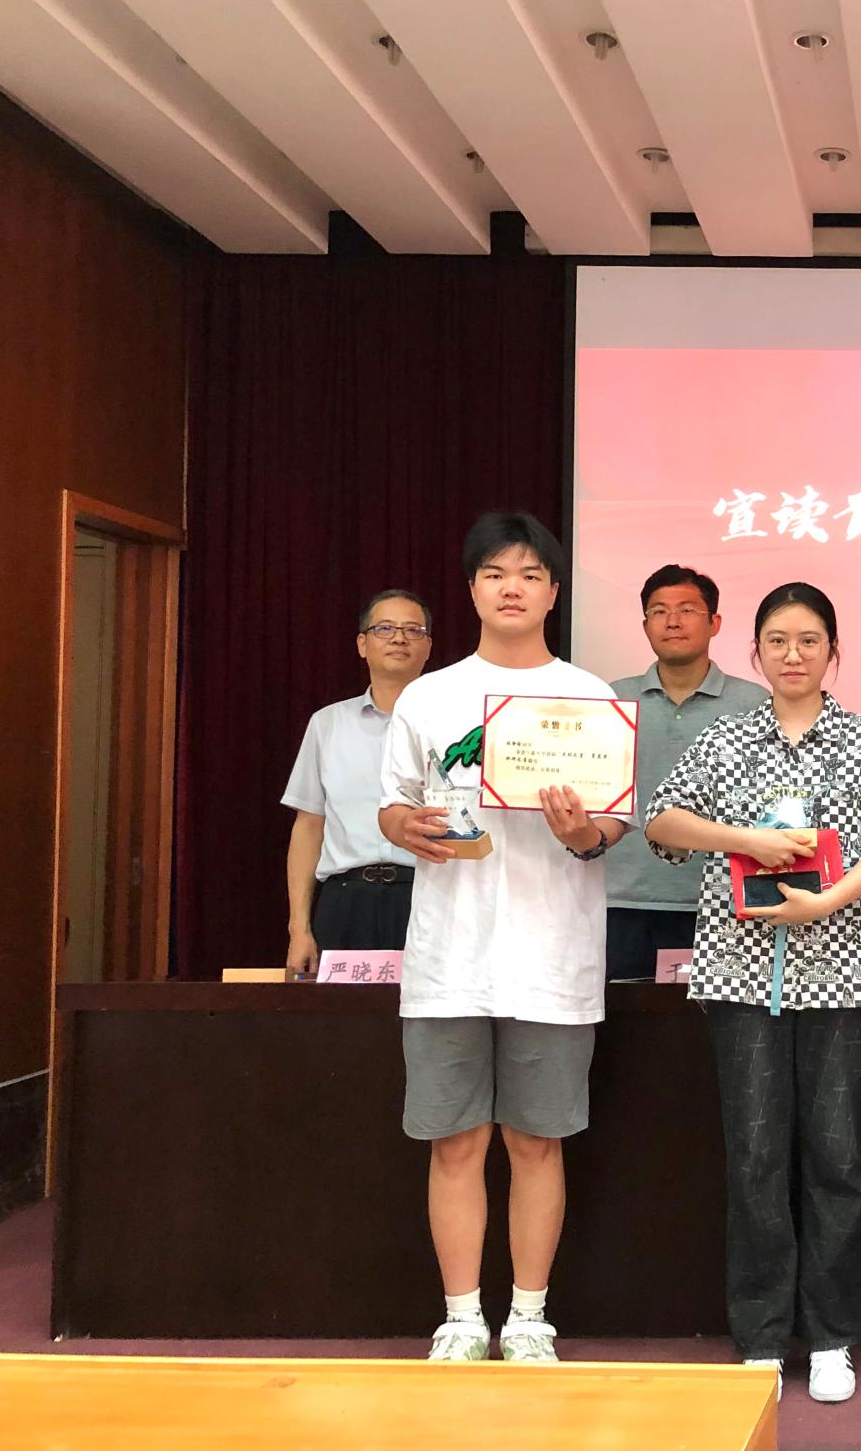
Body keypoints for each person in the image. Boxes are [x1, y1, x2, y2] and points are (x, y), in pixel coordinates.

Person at [643, 583, 861, 1406]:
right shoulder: (725, 737)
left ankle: (831, 1336)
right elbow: (661, 821)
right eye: (778, 641)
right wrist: (744, 840)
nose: (794, 655)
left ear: (834, 652)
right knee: (756, 1158)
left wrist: (831, 902)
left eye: (810, 640)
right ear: (754, 653)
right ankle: (760, 1335)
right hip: (740, 975)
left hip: (844, 975)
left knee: (838, 1159)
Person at [379, 512, 630, 1364]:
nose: (511, 588)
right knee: (455, 1141)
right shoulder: (430, 696)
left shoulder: (590, 697)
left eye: (529, 574)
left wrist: (582, 832)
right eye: (494, 573)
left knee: (536, 1140)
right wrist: (404, 826)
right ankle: (460, 1317)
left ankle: (528, 1317)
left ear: (554, 592)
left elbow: (611, 826)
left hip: (553, 953)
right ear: (473, 589)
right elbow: (393, 803)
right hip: (449, 955)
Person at [605, 564, 767, 980]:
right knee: (623, 1018)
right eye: (659, 611)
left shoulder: (754, 704)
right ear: (645, 625)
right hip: (622, 901)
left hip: (723, 902)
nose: (672, 621)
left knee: (714, 1022)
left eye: (687, 610)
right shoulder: (612, 700)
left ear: (715, 623)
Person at [282, 589, 432, 975]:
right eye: (385, 628)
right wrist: (299, 929)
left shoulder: (451, 726)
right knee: (343, 1013)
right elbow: (308, 827)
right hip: (345, 901)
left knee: (426, 1010)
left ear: (428, 647)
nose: (399, 638)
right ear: (362, 644)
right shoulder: (327, 724)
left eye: (413, 630)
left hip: (429, 896)